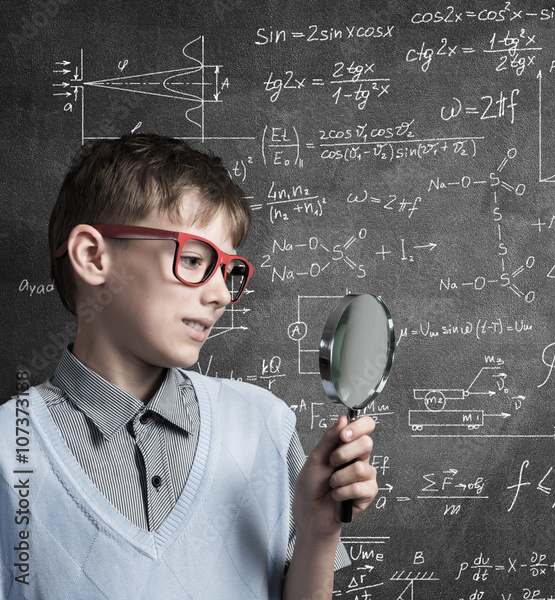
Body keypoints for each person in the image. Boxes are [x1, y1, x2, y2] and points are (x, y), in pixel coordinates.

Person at [0, 133, 378, 599]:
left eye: (228, 271)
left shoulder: (262, 424)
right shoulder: (8, 454)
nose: (220, 295)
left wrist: (319, 534)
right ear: (93, 256)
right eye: (195, 259)